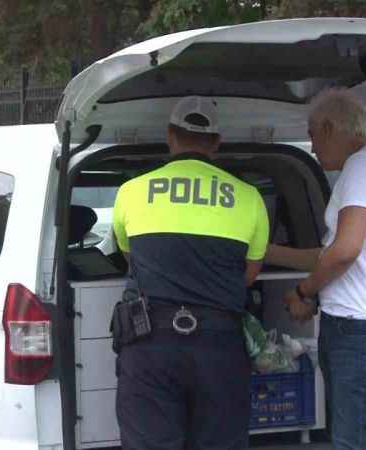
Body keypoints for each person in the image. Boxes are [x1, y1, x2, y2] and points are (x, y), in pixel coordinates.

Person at [111, 96, 269, 450]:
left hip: (149, 344)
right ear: (216, 144)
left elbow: (130, 258)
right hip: (220, 349)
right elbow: (248, 275)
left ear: (170, 136)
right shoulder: (250, 198)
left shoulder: (131, 192)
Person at [266, 88, 366, 450]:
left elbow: (345, 251)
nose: (313, 148)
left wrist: (305, 291)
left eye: (313, 135)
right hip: (354, 325)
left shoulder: (365, 165)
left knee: (354, 438)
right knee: (352, 431)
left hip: (358, 327)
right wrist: (264, 251)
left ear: (330, 128)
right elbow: (328, 254)